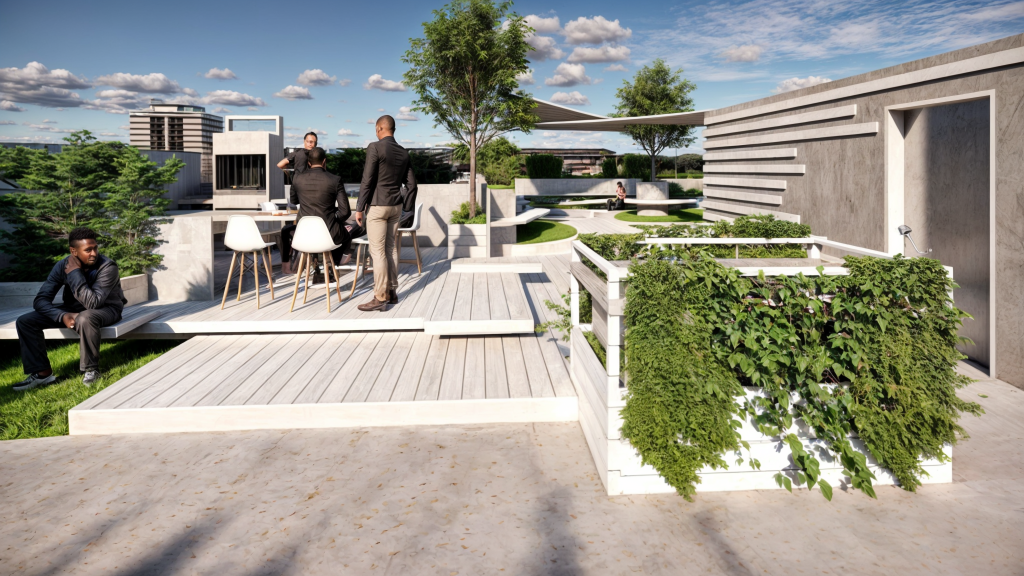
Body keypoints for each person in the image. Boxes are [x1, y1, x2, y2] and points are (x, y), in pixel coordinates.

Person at [14, 228, 127, 391]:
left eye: (95, 248)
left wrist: (74, 272)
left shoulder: (108, 267)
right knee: (26, 321)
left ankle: (91, 370)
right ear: (73, 251)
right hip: (71, 310)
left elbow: (93, 303)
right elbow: (40, 300)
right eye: (88, 250)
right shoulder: (62, 266)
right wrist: (62, 315)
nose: (93, 253)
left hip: (107, 309)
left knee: (85, 317)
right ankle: (42, 373)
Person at [355, 115, 417, 312]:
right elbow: (412, 185)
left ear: (380, 128)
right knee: (391, 249)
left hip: (378, 205)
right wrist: (407, 207)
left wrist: (359, 207)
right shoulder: (404, 152)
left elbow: (367, 179)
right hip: (396, 206)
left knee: (378, 251)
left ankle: (380, 297)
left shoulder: (375, 147)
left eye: (376, 129)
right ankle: (391, 292)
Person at [289, 146, 352, 280]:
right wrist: (334, 218)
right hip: (328, 234)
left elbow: (294, 201)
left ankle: (317, 266)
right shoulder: (335, 180)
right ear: (324, 162)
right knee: (346, 233)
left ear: (309, 163)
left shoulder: (297, 178)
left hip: (303, 235)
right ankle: (332, 266)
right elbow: (345, 212)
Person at [277, 132, 319, 274]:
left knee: (291, 228)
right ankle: (310, 264)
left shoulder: (296, 154)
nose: (310, 144)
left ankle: (288, 266)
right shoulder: (317, 156)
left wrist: (290, 174)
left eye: (311, 142)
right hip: (312, 193)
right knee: (307, 224)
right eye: (309, 141)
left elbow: (280, 165)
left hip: (298, 189)